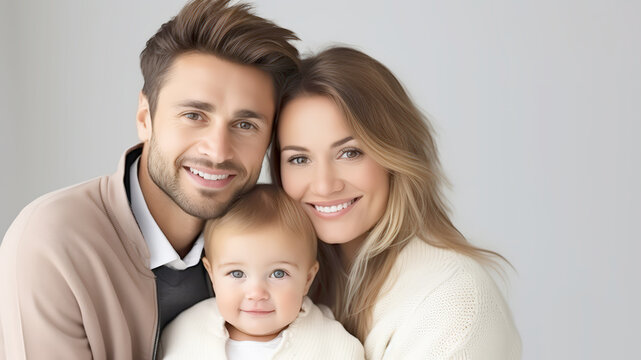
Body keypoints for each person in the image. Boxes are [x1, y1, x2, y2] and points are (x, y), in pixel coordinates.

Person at [0, 0, 299, 358]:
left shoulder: (283, 239)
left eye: (246, 125)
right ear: (145, 117)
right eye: (194, 115)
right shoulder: (54, 242)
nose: (218, 151)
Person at [271, 47, 522, 359]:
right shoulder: (284, 282)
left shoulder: (452, 303)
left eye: (350, 153)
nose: (324, 185)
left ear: (394, 155)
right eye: (298, 158)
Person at [158, 184, 363, 359]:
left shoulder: (333, 345)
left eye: (278, 274)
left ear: (307, 279)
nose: (256, 293)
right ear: (212, 275)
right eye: (237, 274)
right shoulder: (184, 333)